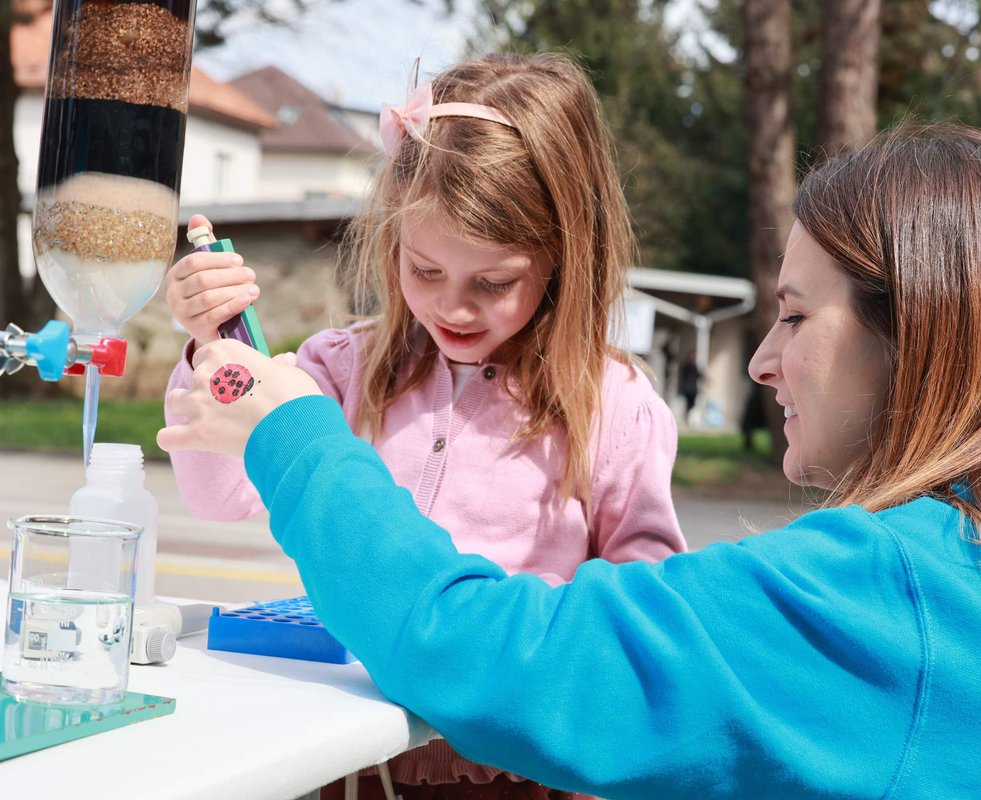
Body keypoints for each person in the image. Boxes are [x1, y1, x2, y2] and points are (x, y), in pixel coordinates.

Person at [159, 123, 981, 799]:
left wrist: (293, 431)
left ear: (914, 335)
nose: (763, 358)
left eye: (794, 314)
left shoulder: (901, 591)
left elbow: (488, 648)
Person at [161, 53, 687, 799]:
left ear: (565, 257)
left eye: (494, 282)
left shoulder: (613, 404)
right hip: (342, 761)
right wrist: (213, 347)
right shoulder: (345, 366)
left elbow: (645, 610)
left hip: (516, 769)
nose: (454, 308)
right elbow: (220, 494)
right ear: (393, 241)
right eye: (425, 269)